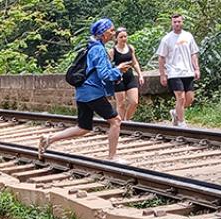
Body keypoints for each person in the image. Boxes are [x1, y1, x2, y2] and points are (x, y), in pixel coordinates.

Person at [39, 19, 130, 163]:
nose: (113, 33)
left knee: (83, 127)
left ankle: (49, 139)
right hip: (93, 93)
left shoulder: (91, 46)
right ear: (103, 33)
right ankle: (112, 157)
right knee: (116, 121)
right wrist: (118, 70)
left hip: (82, 93)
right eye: (111, 30)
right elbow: (104, 74)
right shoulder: (98, 49)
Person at [157, 14, 200, 127]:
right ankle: (181, 123)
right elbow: (161, 57)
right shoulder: (166, 39)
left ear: (182, 22)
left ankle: (176, 112)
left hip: (188, 71)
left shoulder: (188, 36)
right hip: (174, 73)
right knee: (180, 98)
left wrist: (196, 68)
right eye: (175, 22)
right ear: (171, 23)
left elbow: (193, 53)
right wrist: (162, 74)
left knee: (189, 99)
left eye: (179, 21)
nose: (177, 24)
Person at [108, 28, 145, 122]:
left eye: (125, 36)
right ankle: (120, 123)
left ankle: (127, 120)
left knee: (134, 102)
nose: (124, 39)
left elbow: (135, 63)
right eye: (121, 37)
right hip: (118, 78)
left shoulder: (130, 48)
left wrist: (140, 75)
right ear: (116, 38)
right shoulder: (112, 51)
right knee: (121, 104)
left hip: (130, 76)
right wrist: (117, 68)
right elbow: (108, 67)